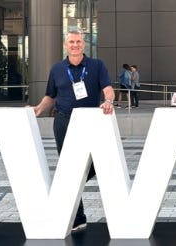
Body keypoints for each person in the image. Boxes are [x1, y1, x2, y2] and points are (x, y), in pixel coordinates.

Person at [32, 29, 115, 233]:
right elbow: (50, 96)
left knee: (95, 164)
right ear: (65, 45)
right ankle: (78, 218)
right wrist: (38, 109)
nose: (75, 45)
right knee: (67, 165)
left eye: (79, 41)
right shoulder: (57, 69)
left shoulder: (96, 65)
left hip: (89, 122)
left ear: (83, 45)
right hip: (63, 121)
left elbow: (108, 88)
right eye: (71, 42)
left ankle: (67, 186)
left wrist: (108, 101)